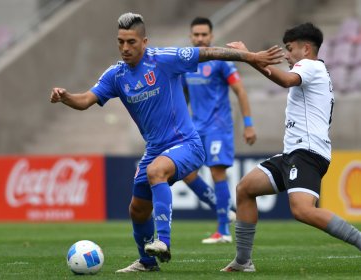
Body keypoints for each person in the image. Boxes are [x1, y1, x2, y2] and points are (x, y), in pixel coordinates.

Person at [50, 12, 283, 273]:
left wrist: (251, 57)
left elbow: (209, 53)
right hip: (155, 150)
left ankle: (164, 241)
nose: (125, 48)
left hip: (187, 144)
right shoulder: (116, 75)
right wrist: (66, 97)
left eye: (131, 42)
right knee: (137, 209)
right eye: (120, 42)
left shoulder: (164, 59)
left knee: (155, 171)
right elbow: (85, 100)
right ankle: (147, 262)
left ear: (144, 41)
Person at [221, 22, 361, 273]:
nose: (287, 54)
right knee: (245, 189)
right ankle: (243, 262)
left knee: (302, 210)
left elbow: (285, 81)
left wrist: (248, 56)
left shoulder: (309, 66)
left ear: (306, 49)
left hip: (306, 153)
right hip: (293, 153)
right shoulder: (316, 70)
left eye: (289, 48)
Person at [182, 17, 257, 244]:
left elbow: (240, 91)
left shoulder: (221, 61)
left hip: (218, 127)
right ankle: (222, 209)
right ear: (191, 36)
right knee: (185, 172)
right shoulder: (187, 63)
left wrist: (248, 123)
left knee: (217, 173)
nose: (200, 38)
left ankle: (223, 231)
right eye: (196, 34)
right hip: (196, 128)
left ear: (212, 36)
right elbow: (184, 96)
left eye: (204, 34)